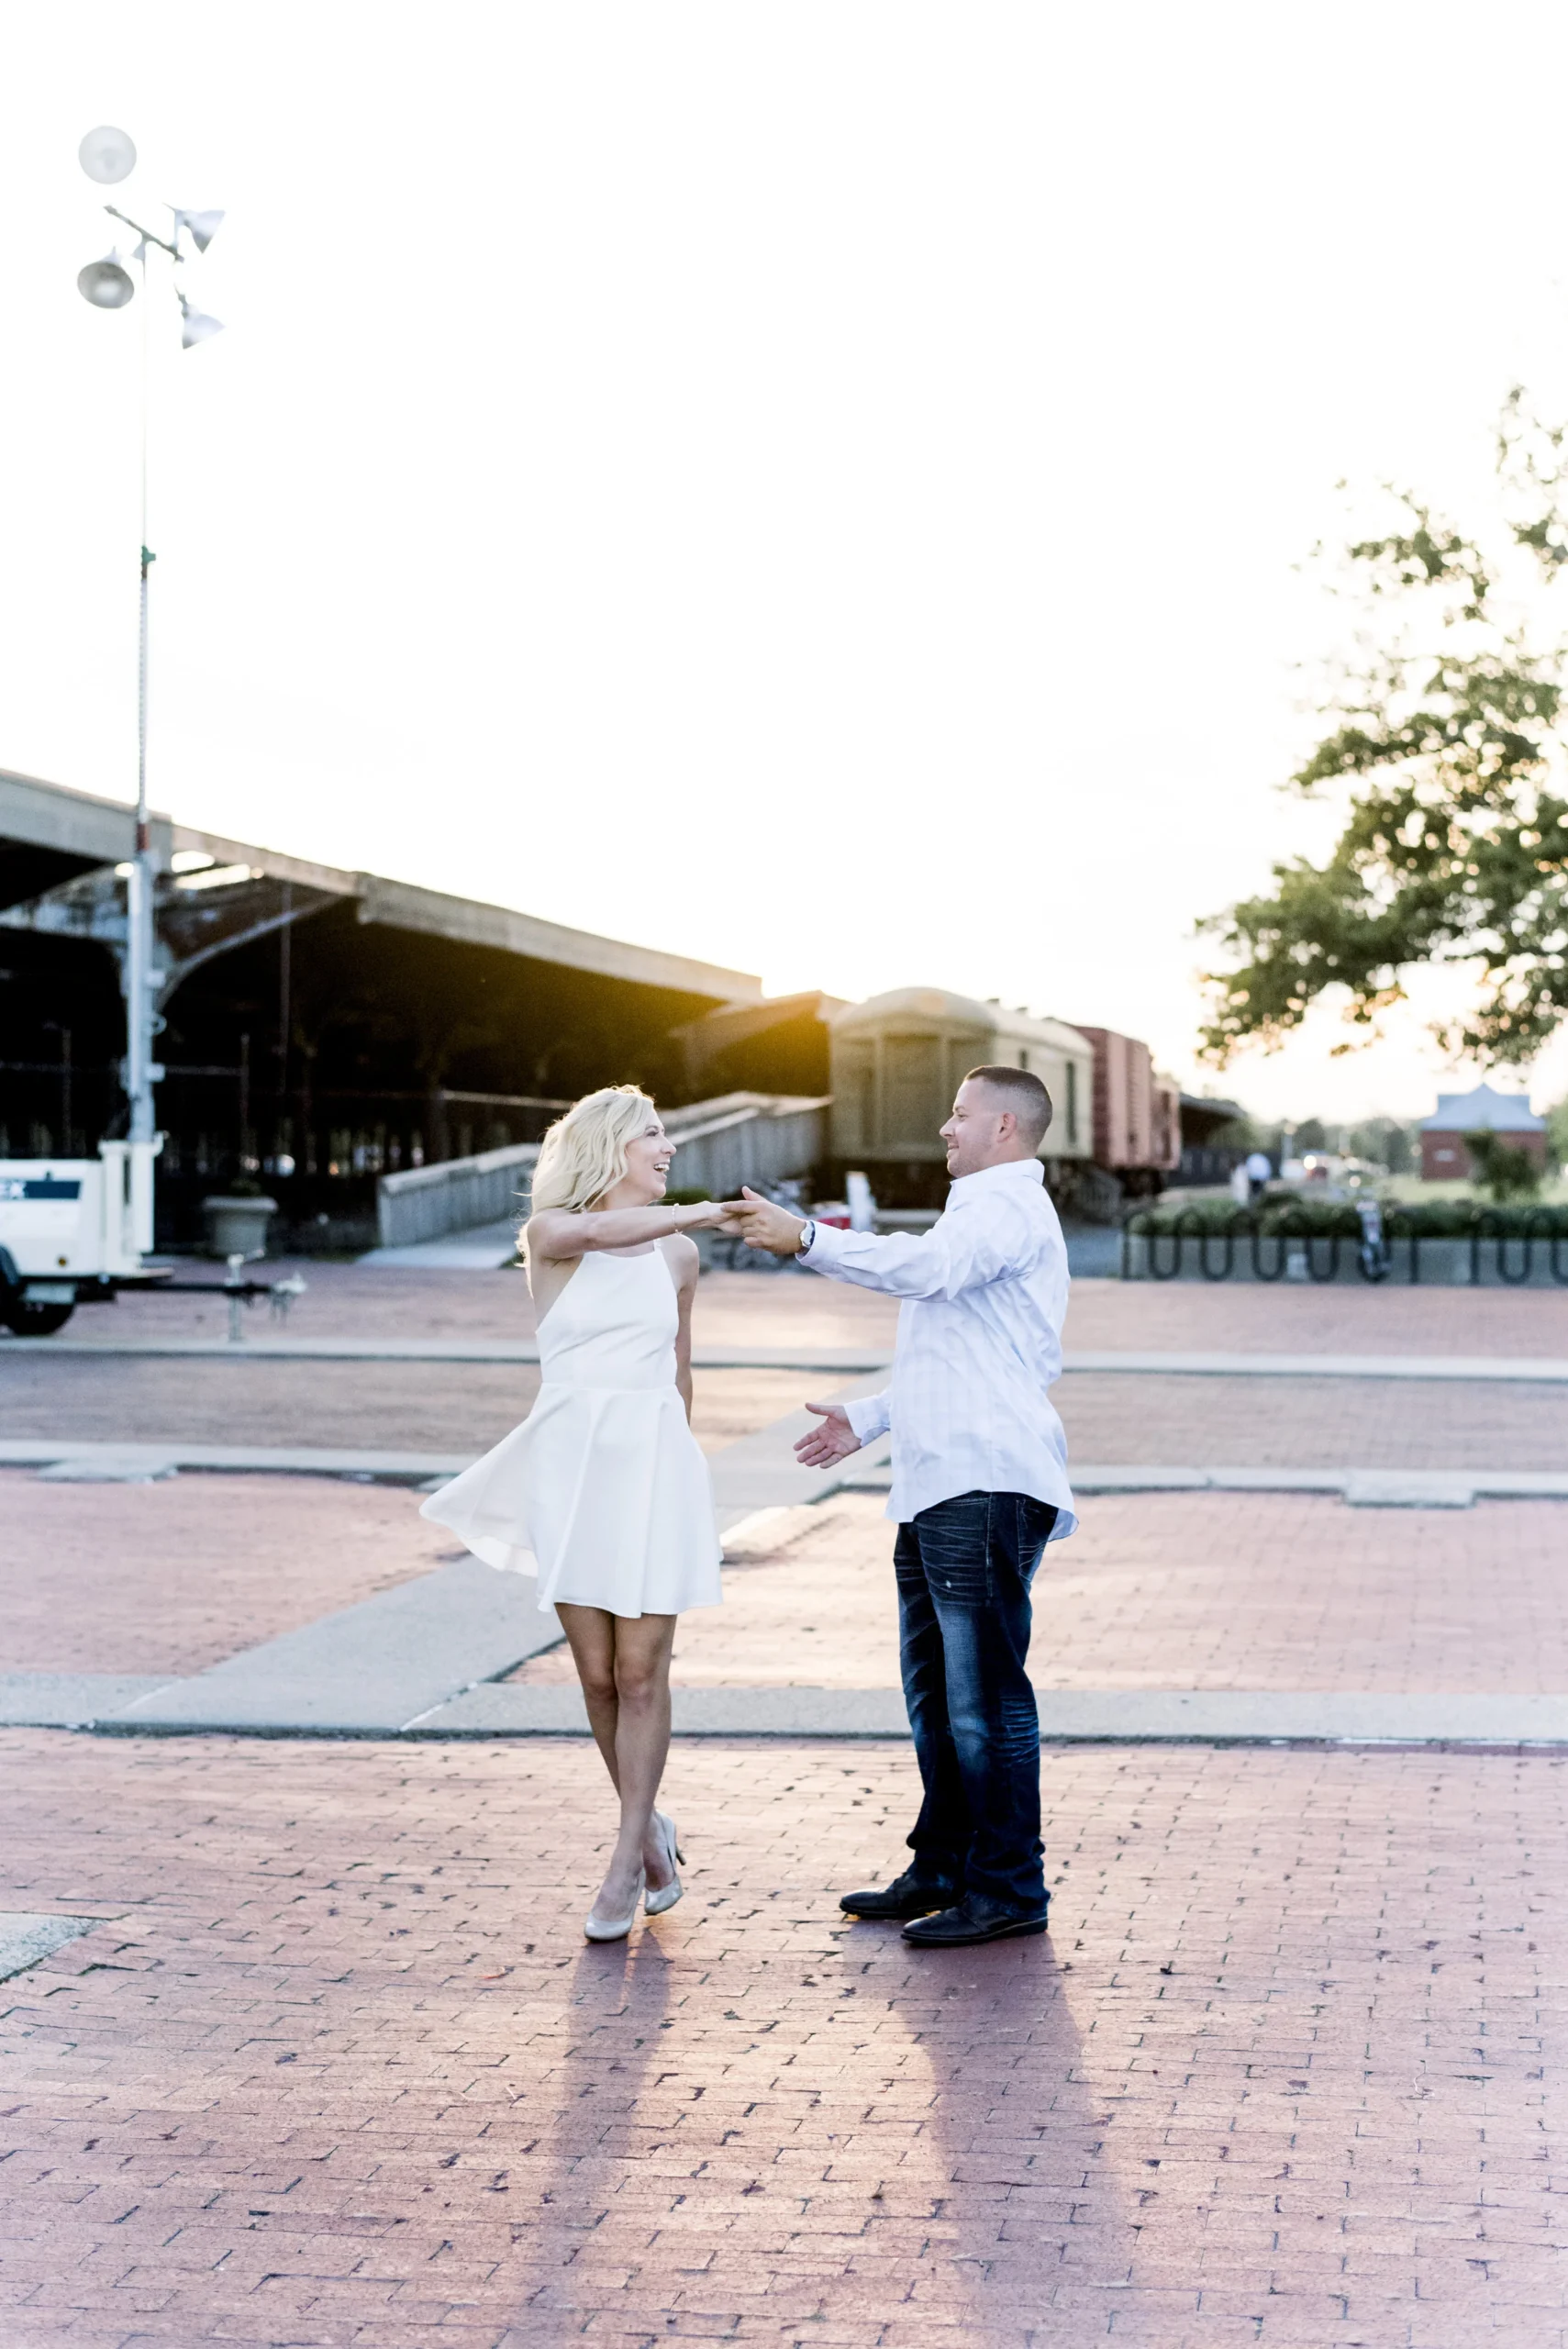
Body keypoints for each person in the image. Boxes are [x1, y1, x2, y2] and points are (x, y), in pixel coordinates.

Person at [728, 1065, 1076, 1948]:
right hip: (940, 1484)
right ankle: (945, 1866)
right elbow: (971, 1358)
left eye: (959, 1114)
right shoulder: (980, 1210)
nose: (945, 1128)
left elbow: (927, 1272)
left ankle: (1008, 1888)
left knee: (983, 1702)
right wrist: (872, 1416)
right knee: (937, 1697)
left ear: (1004, 1127)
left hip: (981, 1486)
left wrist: (809, 1237)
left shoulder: (1003, 1206)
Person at [421, 1086, 740, 1943]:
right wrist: (699, 1210)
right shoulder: (552, 1235)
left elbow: (679, 1372)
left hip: (653, 1467)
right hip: (571, 1465)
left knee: (640, 1674)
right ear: (608, 1148)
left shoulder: (678, 1258)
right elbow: (597, 1235)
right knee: (596, 1675)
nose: (668, 1147)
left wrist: (683, 1472)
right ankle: (652, 1832)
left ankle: (626, 1859)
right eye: (653, 1135)